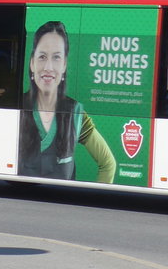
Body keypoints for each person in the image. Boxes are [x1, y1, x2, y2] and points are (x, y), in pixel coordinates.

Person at [18, 20, 116, 183]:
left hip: (61, 200)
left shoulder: (75, 114)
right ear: (32, 63)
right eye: (42, 57)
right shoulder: (15, 109)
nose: (48, 67)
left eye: (56, 57)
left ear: (64, 65)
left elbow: (108, 164)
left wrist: (97, 198)